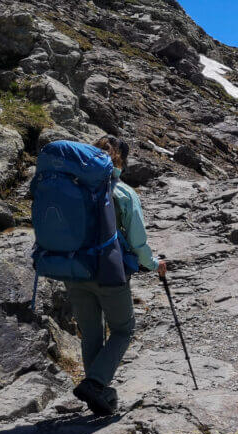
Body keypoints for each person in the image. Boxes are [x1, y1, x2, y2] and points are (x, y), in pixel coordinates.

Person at [68, 135, 166, 415]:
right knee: (123, 329)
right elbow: (137, 242)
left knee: (91, 334)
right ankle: (96, 384)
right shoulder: (123, 193)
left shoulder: (74, 186)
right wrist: (153, 263)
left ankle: (95, 393)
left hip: (74, 271)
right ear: (120, 159)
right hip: (108, 273)